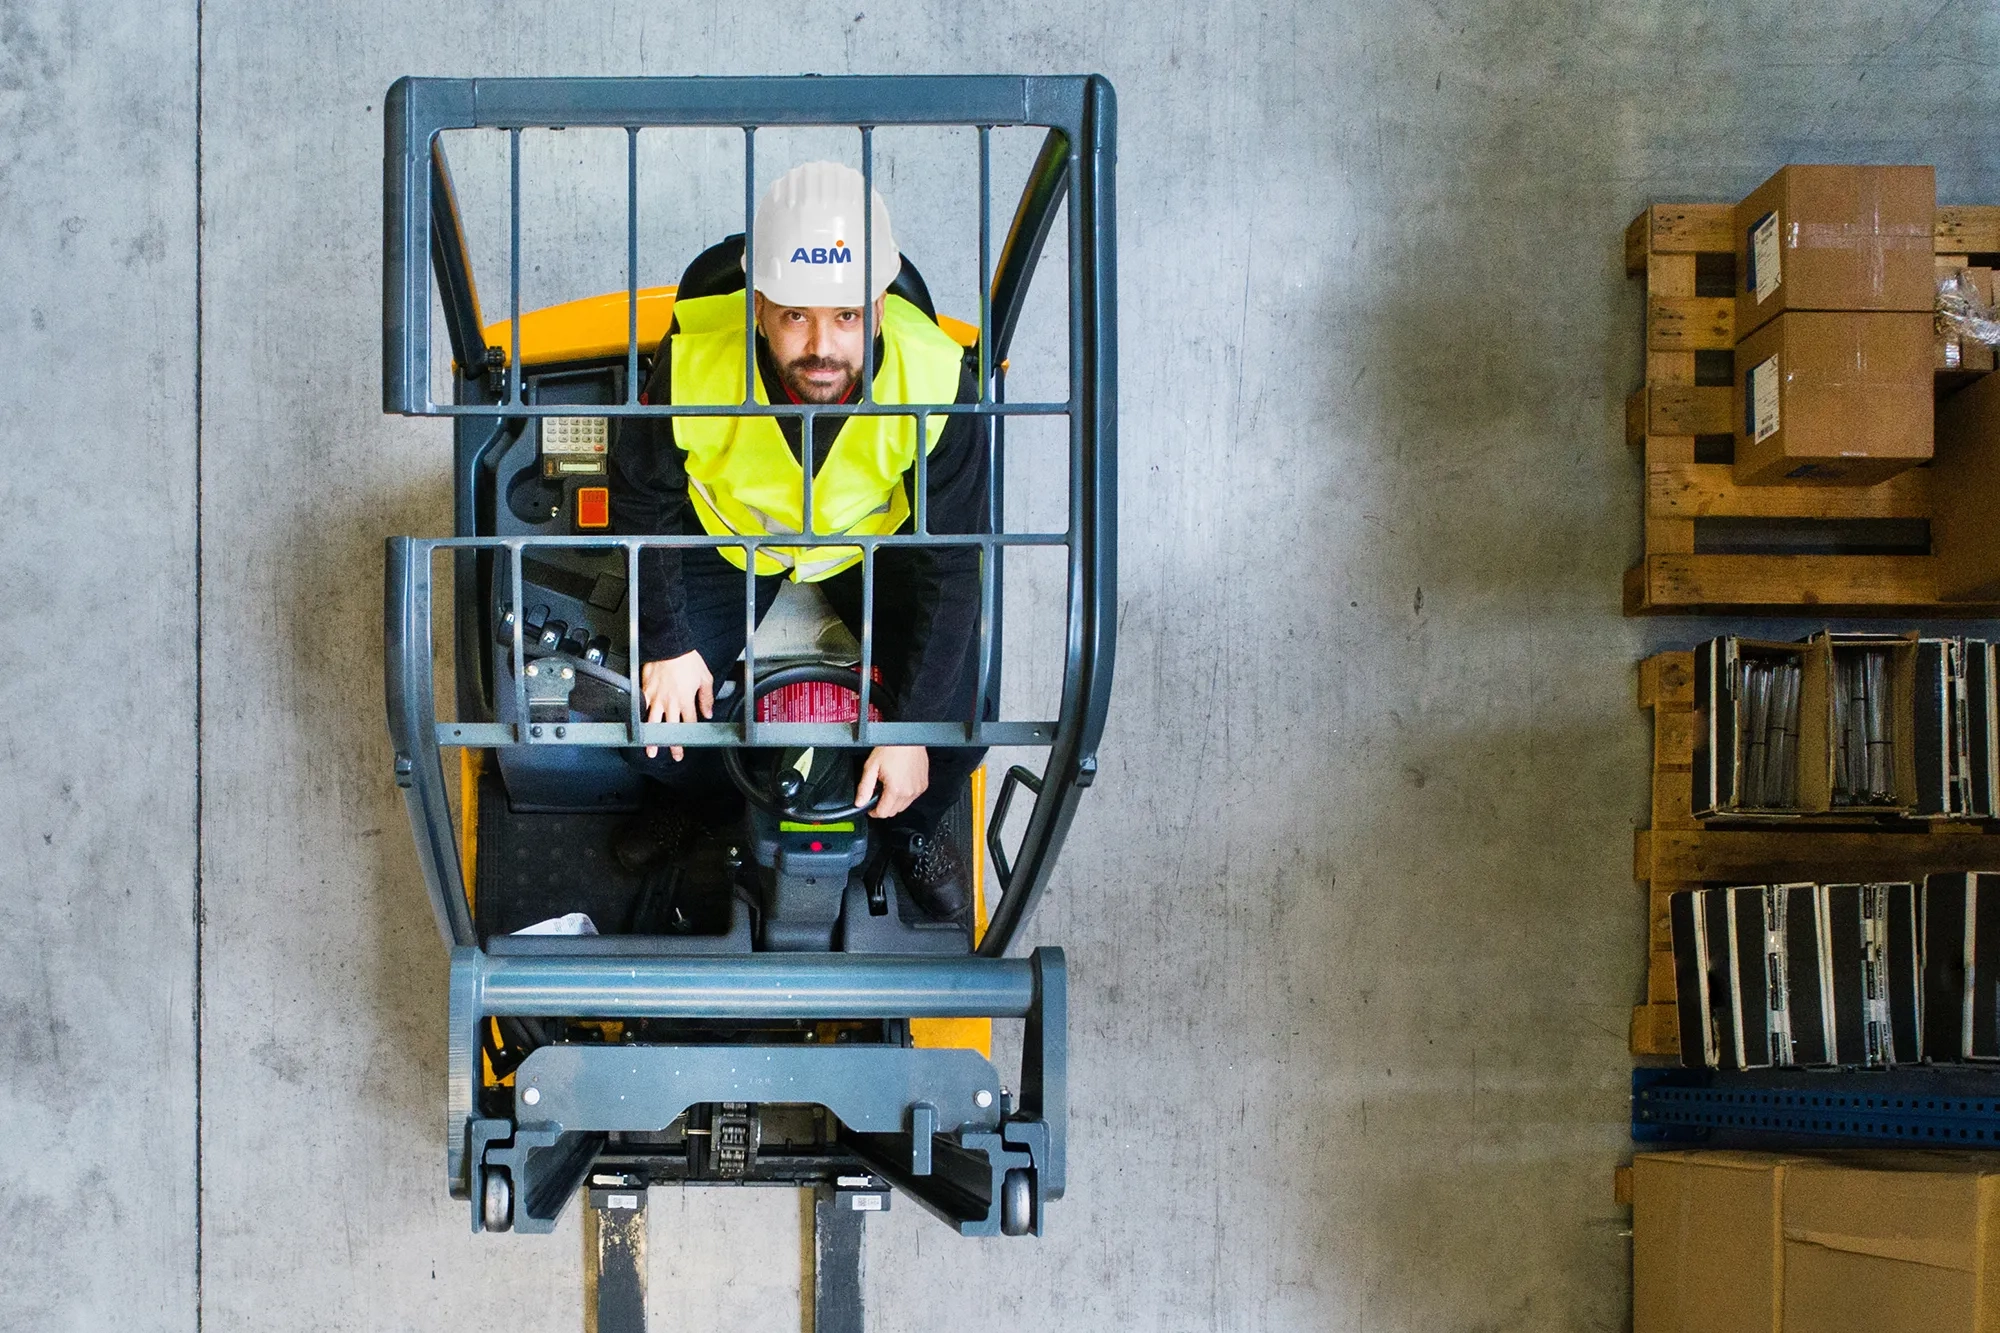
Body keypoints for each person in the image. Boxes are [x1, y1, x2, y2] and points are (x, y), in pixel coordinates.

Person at [607, 161, 986, 922]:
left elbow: (953, 561)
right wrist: (669, 644)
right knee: (637, 708)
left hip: (861, 551)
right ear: (759, 307)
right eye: (795, 317)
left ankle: (910, 820)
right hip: (731, 544)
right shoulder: (690, 364)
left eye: (845, 316)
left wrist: (908, 729)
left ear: (878, 309)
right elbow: (641, 494)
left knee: (962, 713)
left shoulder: (940, 380)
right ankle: (703, 806)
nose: (821, 346)